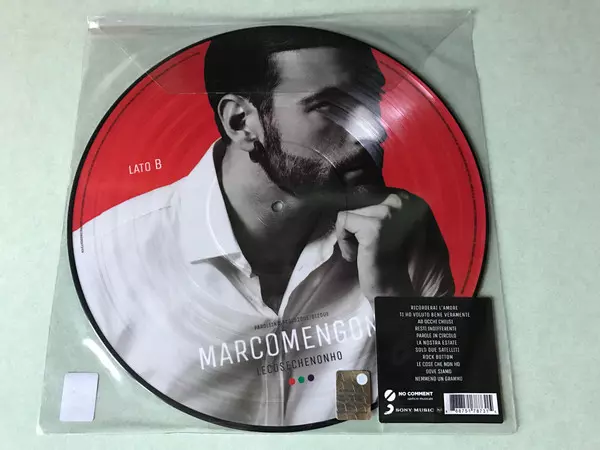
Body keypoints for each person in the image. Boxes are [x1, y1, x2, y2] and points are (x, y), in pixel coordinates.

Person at [73, 26, 454, 429]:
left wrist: (394, 300)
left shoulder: (398, 229)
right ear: (241, 122)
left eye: (371, 99)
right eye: (329, 106)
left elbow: (445, 407)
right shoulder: (104, 257)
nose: (374, 130)